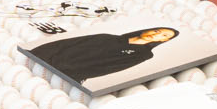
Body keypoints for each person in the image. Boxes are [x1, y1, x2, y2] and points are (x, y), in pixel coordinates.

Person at [28, 26, 180, 86]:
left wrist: (67, 75)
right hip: (45, 60)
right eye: (157, 31)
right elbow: (65, 44)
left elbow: (104, 69)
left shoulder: (143, 55)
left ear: (164, 40)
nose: (157, 34)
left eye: (163, 35)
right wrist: (36, 55)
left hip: (63, 75)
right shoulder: (108, 37)